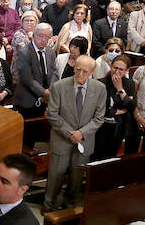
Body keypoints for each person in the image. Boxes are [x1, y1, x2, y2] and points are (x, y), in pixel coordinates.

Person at [44, 56, 106, 210]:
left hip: (83, 141)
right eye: (78, 69)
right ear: (74, 68)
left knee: (77, 177)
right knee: (55, 176)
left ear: (92, 72)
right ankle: (48, 204)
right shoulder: (59, 86)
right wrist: (70, 133)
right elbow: (52, 114)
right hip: (61, 139)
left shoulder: (99, 89)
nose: (80, 74)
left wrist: (81, 133)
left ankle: (70, 205)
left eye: (85, 71)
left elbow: (99, 118)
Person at [93, 56, 136, 160]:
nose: (117, 72)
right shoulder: (100, 83)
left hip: (119, 126)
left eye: (121, 69)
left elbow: (131, 107)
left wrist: (120, 89)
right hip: (101, 126)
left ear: (126, 71)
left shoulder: (129, 84)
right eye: (115, 68)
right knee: (97, 155)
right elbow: (98, 108)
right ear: (110, 66)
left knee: (111, 156)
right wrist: (117, 110)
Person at [13, 23, 57, 116]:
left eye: (47, 36)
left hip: (47, 98)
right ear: (33, 36)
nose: (43, 39)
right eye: (40, 36)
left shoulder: (50, 52)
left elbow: (54, 73)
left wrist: (51, 91)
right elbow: (28, 80)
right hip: (28, 100)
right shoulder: (24, 53)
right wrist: (45, 93)